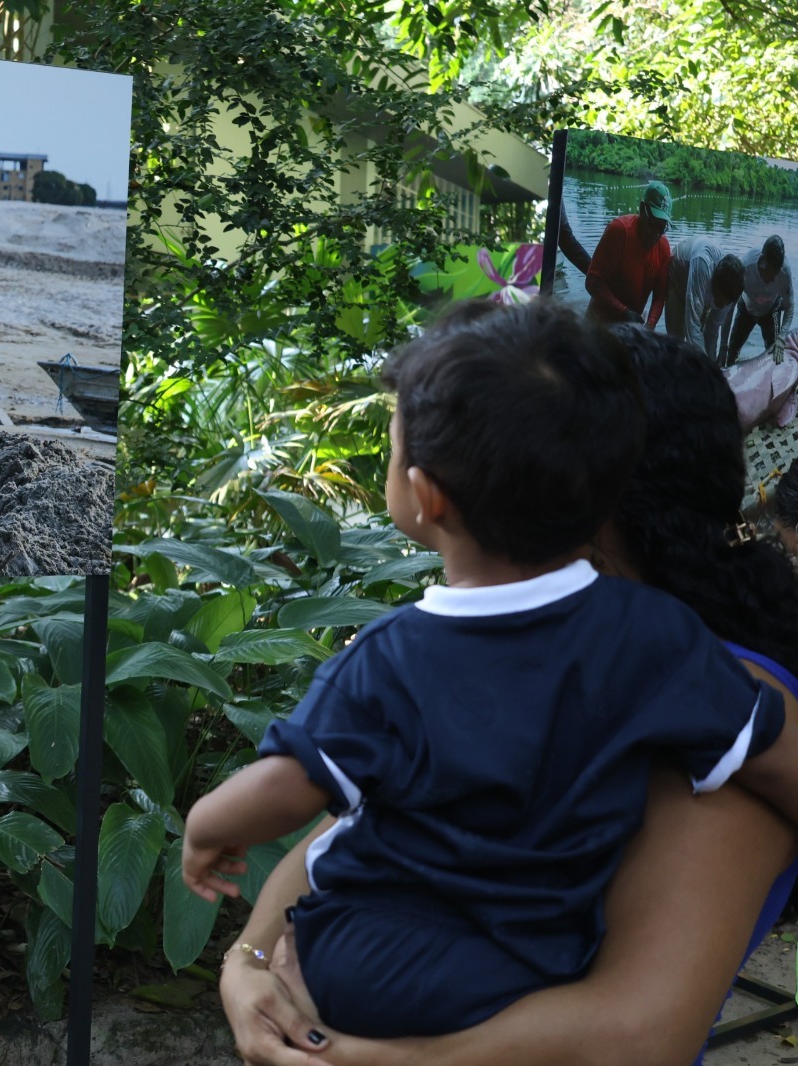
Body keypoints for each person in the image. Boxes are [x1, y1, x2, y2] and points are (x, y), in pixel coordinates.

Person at [183, 301, 798, 1041]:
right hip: (481, 978)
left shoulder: (409, 650)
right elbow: (348, 825)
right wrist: (245, 963)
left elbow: (634, 1039)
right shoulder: (651, 653)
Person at [584, 181, 672, 327]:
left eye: (662, 227)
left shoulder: (664, 247)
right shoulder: (619, 231)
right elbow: (592, 281)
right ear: (642, 208)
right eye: (653, 224)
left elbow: (659, 297)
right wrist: (623, 311)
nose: (656, 234)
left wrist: (650, 324)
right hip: (598, 324)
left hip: (631, 327)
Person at [664, 235, 744, 367]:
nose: (722, 306)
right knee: (676, 342)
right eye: (719, 301)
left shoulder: (730, 294)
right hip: (678, 276)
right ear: (715, 286)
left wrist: (713, 367)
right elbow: (692, 325)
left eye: (725, 304)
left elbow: (712, 332)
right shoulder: (703, 265)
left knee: (699, 344)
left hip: (701, 291)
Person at [725, 235, 794, 366]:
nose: (773, 280)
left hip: (771, 310)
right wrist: (723, 346)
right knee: (732, 350)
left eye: (776, 274)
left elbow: (789, 306)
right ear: (762, 260)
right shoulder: (745, 266)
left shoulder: (785, 272)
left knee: (774, 355)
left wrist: (782, 337)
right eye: (769, 273)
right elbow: (730, 305)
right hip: (746, 307)